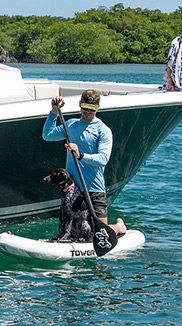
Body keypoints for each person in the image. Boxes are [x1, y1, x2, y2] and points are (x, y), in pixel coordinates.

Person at [42, 90, 127, 236]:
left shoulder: (103, 130)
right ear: (80, 105)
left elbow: (103, 159)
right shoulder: (71, 125)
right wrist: (54, 112)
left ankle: (119, 227)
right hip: (74, 191)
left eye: (91, 109)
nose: (87, 112)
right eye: (85, 108)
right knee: (75, 230)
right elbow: (47, 136)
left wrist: (81, 155)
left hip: (94, 189)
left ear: (97, 108)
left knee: (99, 233)